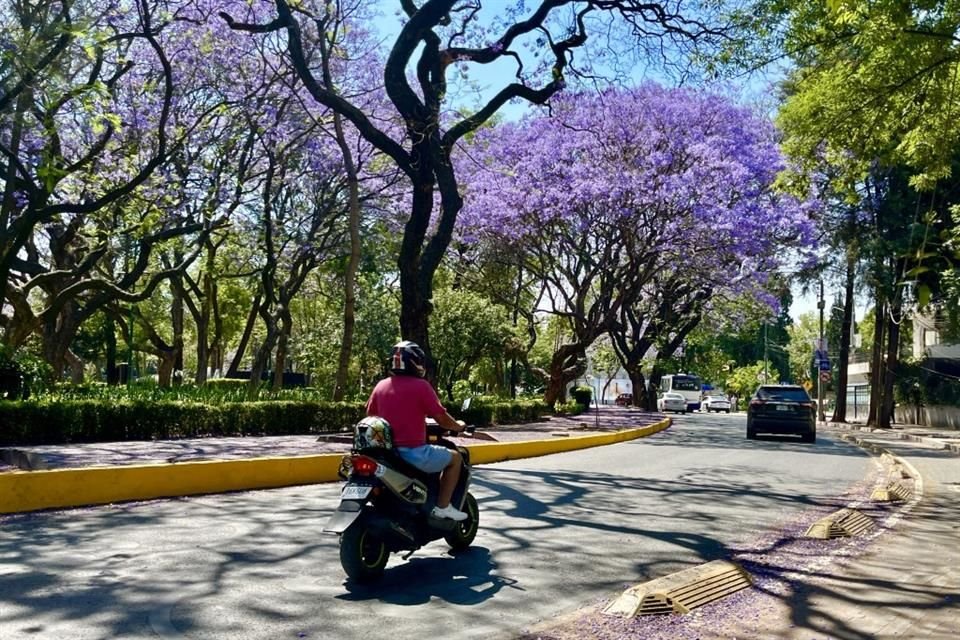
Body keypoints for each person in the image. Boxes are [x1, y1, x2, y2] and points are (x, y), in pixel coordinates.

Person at [366, 340, 469, 521]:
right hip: (413, 453)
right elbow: (442, 419)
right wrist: (459, 426)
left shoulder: (380, 386)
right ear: (415, 362)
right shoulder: (421, 386)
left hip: (386, 454)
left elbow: (371, 416)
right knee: (456, 458)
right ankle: (443, 507)